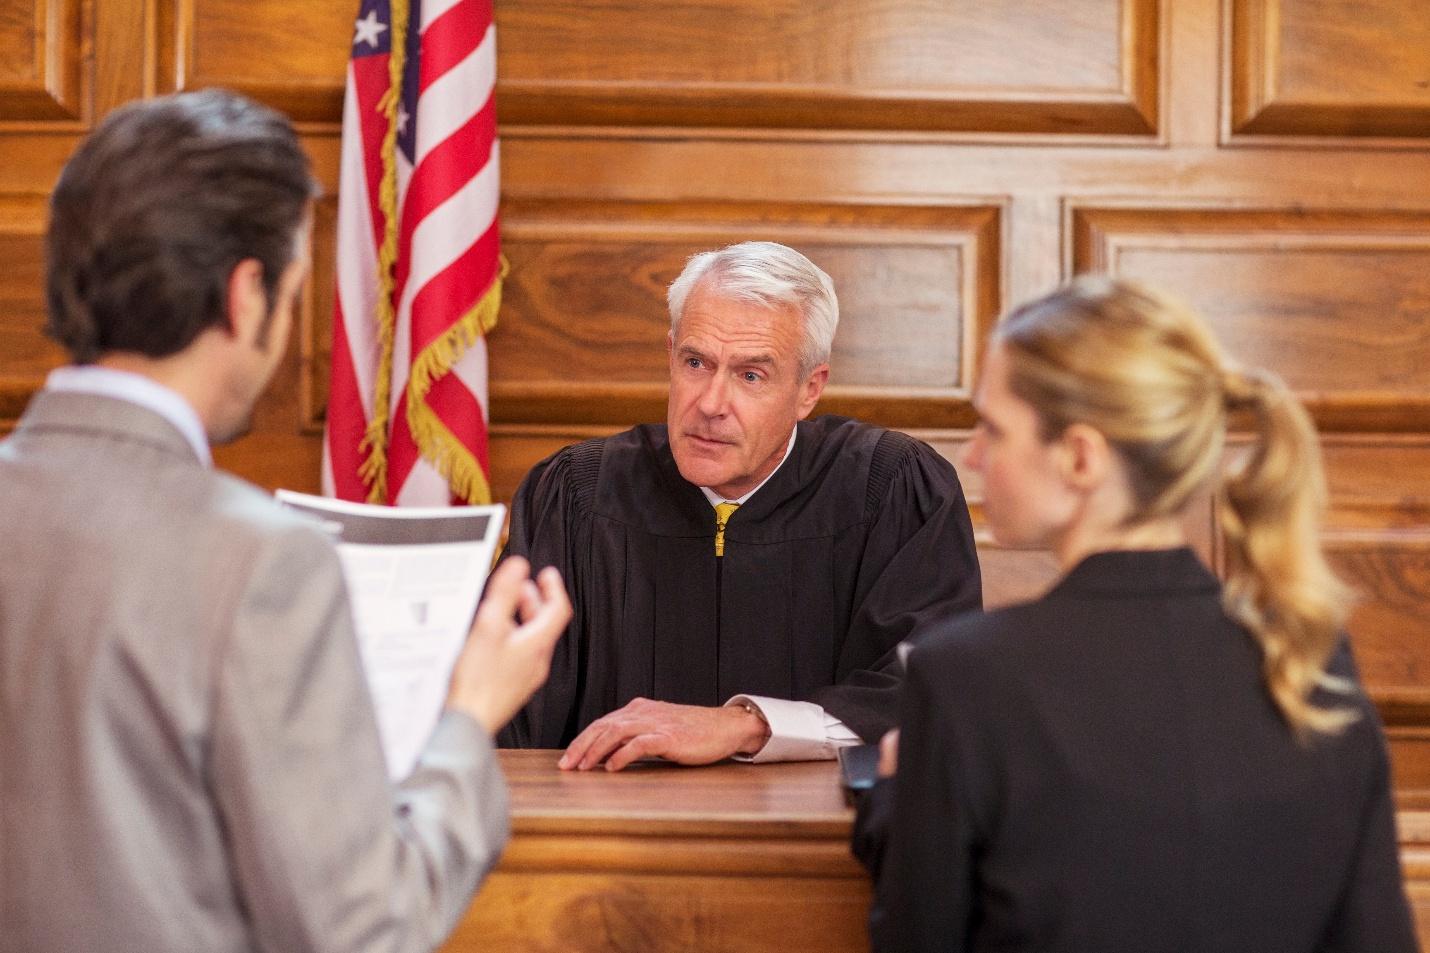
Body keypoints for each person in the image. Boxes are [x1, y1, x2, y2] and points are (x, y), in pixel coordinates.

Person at [0, 90, 571, 953]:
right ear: (246, 293)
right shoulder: (261, 561)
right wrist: (470, 715)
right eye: (298, 289)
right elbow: (364, 928)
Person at [854, 276, 1419, 952]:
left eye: (994, 427)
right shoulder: (1311, 655)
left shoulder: (966, 677)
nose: (972, 454)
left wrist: (892, 800)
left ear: (1081, 456)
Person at [500, 241, 982, 770]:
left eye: (751, 375)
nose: (709, 404)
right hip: (612, 833)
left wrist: (745, 725)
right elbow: (507, 711)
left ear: (808, 390)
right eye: (696, 362)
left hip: (819, 837)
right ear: (670, 355)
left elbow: (929, 691)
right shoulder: (577, 495)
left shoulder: (892, 488)